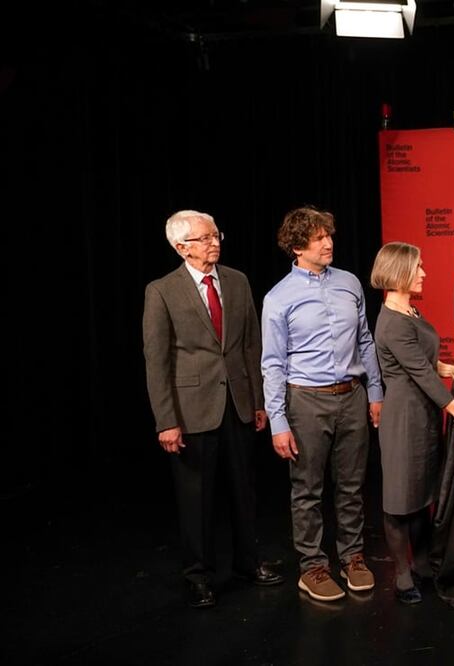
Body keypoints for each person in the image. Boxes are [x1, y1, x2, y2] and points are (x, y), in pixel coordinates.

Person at [143, 209, 283, 609]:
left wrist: (258, 401)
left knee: (244, 491)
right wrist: (166, 420)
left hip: (238, 404)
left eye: (215, 234)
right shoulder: (162, 291)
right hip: (191, 411)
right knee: (197, 498)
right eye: (204, 238)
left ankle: (247, 563)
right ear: (181, 247)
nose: (214, 242)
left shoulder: (237, 282)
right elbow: (157, 361)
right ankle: (199, 575)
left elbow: (251, 345)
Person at [261, 206, 384, 602]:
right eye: (318, 238)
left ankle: (352, 557)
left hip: (352, 396)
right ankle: (312, 565)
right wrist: (278, 420)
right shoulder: (279, 298)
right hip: (306, 402)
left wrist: (376, 392)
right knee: (308, 489)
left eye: (328, 235)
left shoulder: (348, 282)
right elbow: (273, 362)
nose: (328, 243)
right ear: (297, 247)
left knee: (351, 485)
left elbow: (365, 340)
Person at [370, 241, 454, 605]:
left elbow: (424, 362)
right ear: (399, 272)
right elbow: (419, 372)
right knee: (400, 499)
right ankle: (402, 575)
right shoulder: (392, 322)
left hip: (423, 414)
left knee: (421, 495)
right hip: (404, 417)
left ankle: (420, 563)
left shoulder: (411, 314)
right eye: (418, 268)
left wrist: (451, 368)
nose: (424, 273)